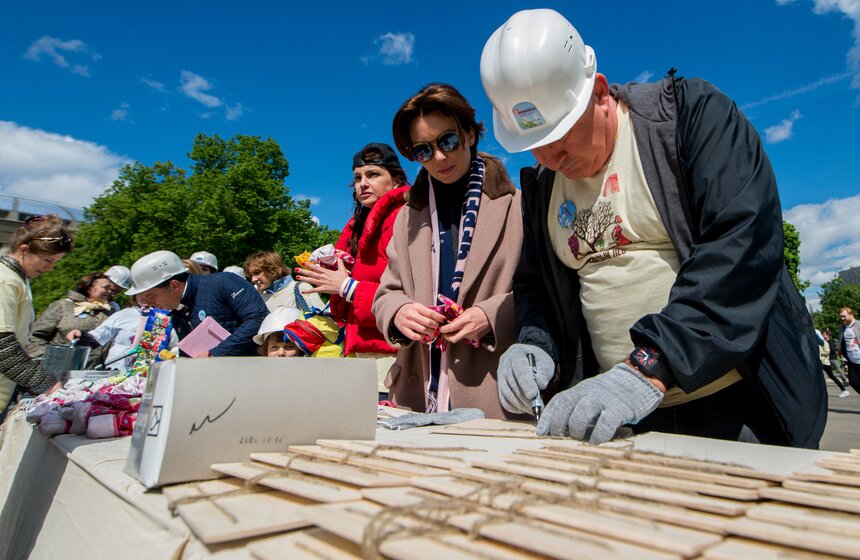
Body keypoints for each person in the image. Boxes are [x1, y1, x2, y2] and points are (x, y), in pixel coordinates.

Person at [481, 9, 826, 446]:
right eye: (534, 146)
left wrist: (653, 364)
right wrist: (535, 343)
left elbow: (740, 246)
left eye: (562, 135)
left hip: (736, 403)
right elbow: (536, 286)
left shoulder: (690, 119)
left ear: (600, 93)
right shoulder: (544, 187)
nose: (550, 159)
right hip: (617, 412)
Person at [372, 83, 523, 418]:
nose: (439, 157)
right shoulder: (406, 217)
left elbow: (541, 291)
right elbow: (386, 293)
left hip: (492, 389)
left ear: (469, 133)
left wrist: (492, 315)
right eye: (423, 150)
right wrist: (398, 312)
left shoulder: (518, 206)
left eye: (448, 141)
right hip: (416, 393)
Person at [296, 143, 409, 397]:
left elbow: (411, 296)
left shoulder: (406, 218)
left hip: (393, 355)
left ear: (396, 180)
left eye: (373, 174)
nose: (362, 184)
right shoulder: (358, 226)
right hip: (359, 349)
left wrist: (346, 287)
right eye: (358, 177)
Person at [126, 250, 269, 357]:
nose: (149, 304)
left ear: (174, 285)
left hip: (250, 373)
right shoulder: (177, 312)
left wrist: (215, 353)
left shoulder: (224, 283)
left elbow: (259, 318)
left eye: (151, 296)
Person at [0, 215, 71, 418]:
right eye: (48, 260)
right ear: (23, 249)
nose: (50, 268)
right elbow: (2, 346)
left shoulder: (16, 280)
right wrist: (44, 383)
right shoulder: (5, 281)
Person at [66, 295, 180, 371]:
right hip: (117, 371)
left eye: (150, 294)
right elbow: (96, 338)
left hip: (152, 372)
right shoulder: (123, 314)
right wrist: (80, 336)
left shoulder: (170, 315)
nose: (146, 297)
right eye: (142, 293)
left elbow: (175, 347)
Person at [28, 272, 116, 368]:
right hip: (58, 369)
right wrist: (47, 358)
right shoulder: (63, 306)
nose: (110, 291)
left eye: (111, 289)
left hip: (93, 372)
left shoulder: (109, 312)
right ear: (89, 287)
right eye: (105, 288)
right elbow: (37, 335)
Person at [243, 251, 324, 313]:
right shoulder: (260, 298)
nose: (253, 279)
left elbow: (323, 321)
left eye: (257, 273)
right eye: (251, 276)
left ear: (273, 269)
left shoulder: (301, 288)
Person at [819, 330, 849, 398]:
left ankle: (844, 385)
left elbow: (829, 351)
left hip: (828, 361)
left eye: (824, 334)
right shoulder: (822, 342)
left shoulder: (827, 342)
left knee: (836, 372)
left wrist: (819, 353)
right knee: (826, 376)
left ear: (828, 335)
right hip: (824, 361)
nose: (822, 335)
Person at [839, 307, 860, 395]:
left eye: (844, 316)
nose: (842, 318)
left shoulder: (858, 325)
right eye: (841, 317)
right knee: (853, 381)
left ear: (851, 315)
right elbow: (842, 341)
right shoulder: (842, 327)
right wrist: (840, 351)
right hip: (852, 360)